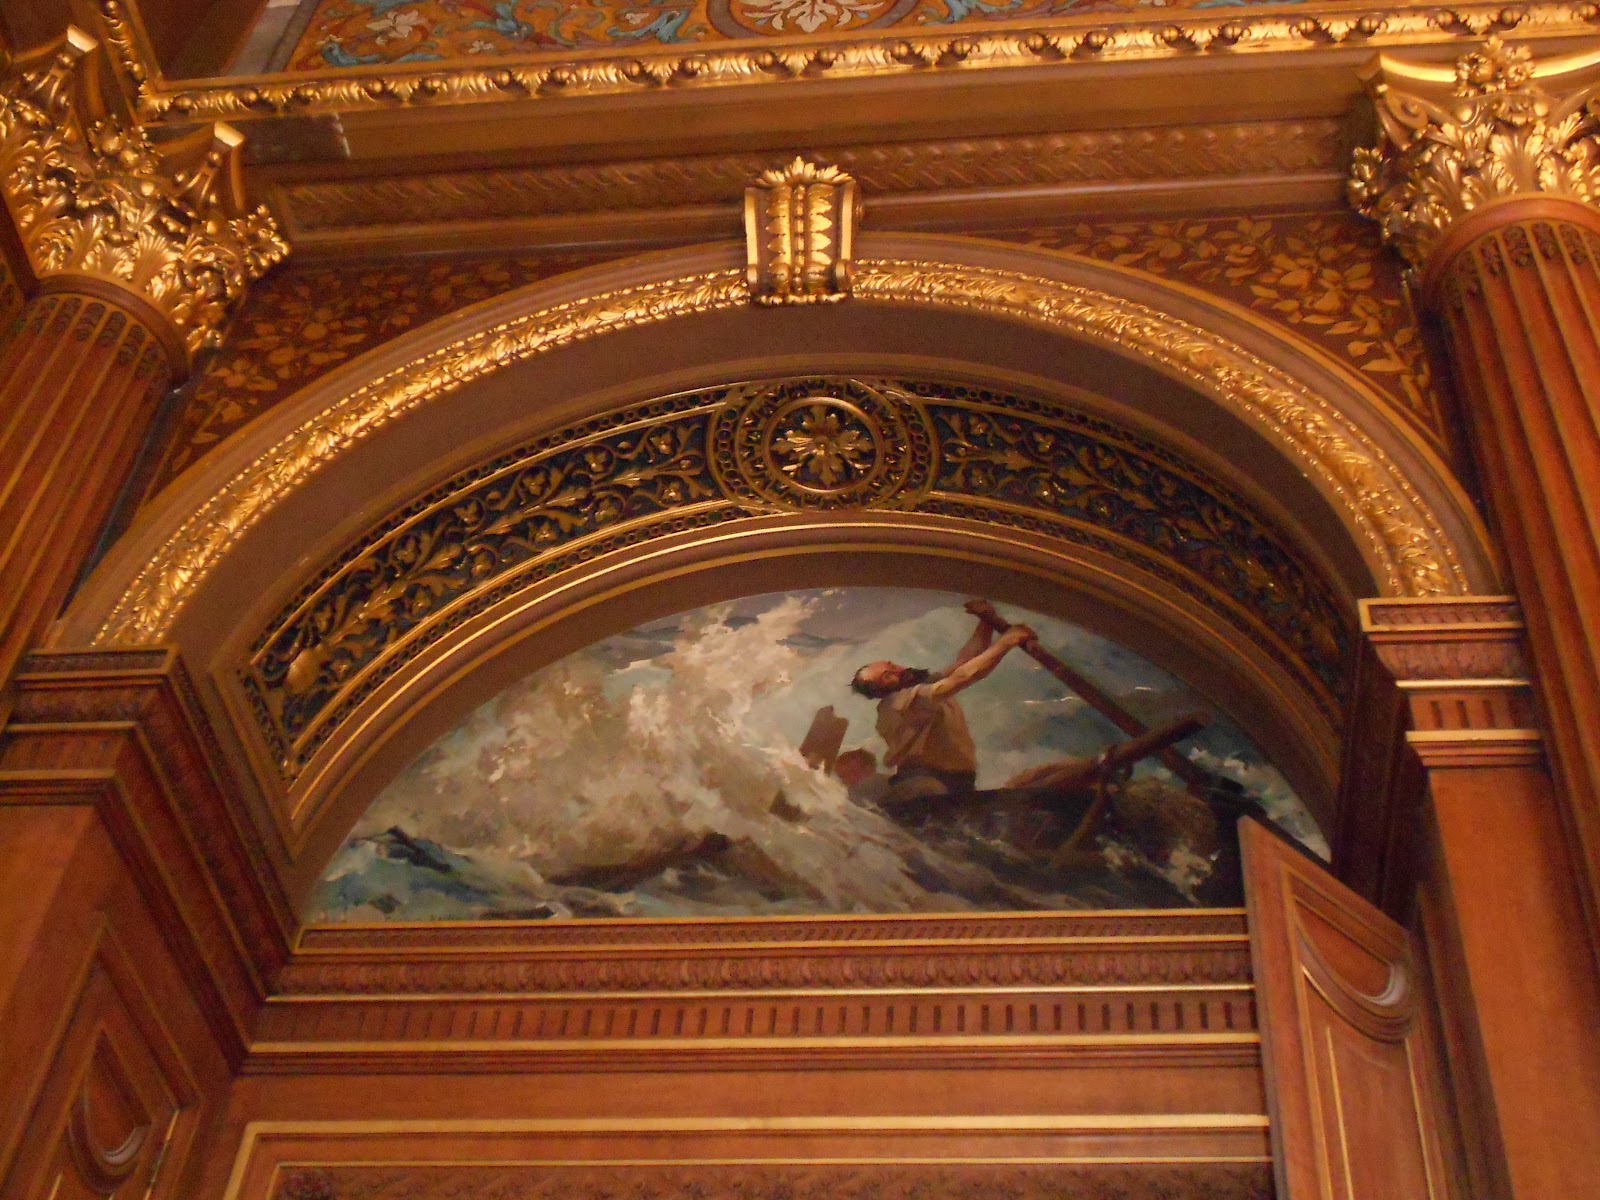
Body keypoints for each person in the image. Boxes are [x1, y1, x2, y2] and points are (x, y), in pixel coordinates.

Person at [850, 604, 1036, 808]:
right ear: (880, 692)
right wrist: (1007, 641)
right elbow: (962, 677)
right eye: (888, 676)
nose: (899, 670)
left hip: (957, 781)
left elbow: (964, 661)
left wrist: (986, 621)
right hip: (927, 782)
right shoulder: (901, 702)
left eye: (892, 666)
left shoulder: (919, 690)